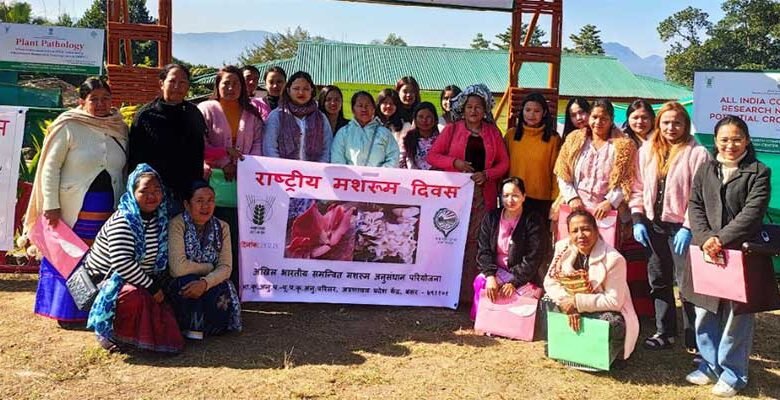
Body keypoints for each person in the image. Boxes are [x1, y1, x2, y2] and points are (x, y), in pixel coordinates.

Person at [24, 77, 128, 326]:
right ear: (82, 101)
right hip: (71, 205)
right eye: (94, 99)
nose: (100, 104)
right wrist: (50, 203)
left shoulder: (119, 126)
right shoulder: (69, 125)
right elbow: (50, 167)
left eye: (105, 98)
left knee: (99, 255)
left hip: (107, 205)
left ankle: (93, 309)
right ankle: (66, 311)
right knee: (69, 255)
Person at [684, 116, 771, 397]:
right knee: (704, 311)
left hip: (739, 255)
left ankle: (733, 373)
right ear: (716, 141)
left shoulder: (759, 172)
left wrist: (720, 239)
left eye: (736, 139)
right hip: (707, 252)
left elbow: (751, 214)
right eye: (724, 139)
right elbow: (695, 206)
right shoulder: (706, 169)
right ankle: (709, 365)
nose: (730, 145)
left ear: (746, 140)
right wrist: (706, 238)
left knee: (736, 316)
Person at [629, 102, 710, 352]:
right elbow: (637, 187)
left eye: (677, 122)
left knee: (687, 284)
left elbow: (702, 196)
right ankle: (664, 332)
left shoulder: (697, 153)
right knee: (658, 279)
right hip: (654, 226)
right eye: (666, 122)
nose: (671, 127)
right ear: (659, 123)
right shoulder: (647, 149)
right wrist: (637, 218)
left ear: (685, 124)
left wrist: (688, 226)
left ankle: (694, 338)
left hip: (682, 228)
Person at [84, 164, 184, 353]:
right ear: (132, 192)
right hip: (107, 280)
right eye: (144, 191)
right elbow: (123, 263)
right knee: (136, 297)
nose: (152, 196)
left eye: (157, 190)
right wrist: (152, 287)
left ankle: (145, 336)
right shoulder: (124, 220)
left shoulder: (160, 219)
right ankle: (110, 332)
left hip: (140, 278)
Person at [427, 83, 510, 305]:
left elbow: (504, 163)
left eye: (478, 107)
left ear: (485, 110)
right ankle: (446, 289)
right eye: (469, 106)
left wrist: (488, 174)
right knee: (452, 239)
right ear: (462, 109)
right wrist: (455, 163)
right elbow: (433, 156)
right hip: (455, 197)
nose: (473, 111)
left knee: (479, 241)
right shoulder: (452, 130)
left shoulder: (493, 133)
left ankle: (471, 294)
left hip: (484, 196)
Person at [543, 209, 640, 363]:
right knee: (547, 300)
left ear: (596, 230)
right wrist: (567, 304)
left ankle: (605, 356)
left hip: (602, 309)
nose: (580, 235)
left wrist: (577, 303)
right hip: (570, 303)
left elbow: (614, 301)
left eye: (586, 229)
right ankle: (563, 345)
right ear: (569, 233)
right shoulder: (563, 247)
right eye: (575, 231)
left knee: (613, 322)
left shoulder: (614, 259)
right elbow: (550, 281)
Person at [199, 65, 264, 290]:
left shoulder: (252, 113)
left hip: (242, 185)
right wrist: (225, 161)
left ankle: (234, 285)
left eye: (236, 83)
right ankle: (209, 283)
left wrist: (243, 168)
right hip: (211, 184)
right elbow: (200, 145)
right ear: (217, 85)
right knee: (211, 233)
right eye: (226, 83)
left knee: (237, 235)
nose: (230, 87)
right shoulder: (206, 109)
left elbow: (257, 145)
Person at [167, 180, 241, 340]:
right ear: (187, 204)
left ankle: (210, 328)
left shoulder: (222, 227)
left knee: (217, 290)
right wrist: (209, 267)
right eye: (199, 201)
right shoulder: (177, 225)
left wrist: (205, 283)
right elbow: (177, 268)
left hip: (210, 281)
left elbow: (226, 267)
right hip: (184, 279)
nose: (206, 206)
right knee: (187, 282)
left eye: (210, 201)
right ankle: (190, 328)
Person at [129, 63, 207, 212]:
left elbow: (198, 155)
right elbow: (134, 159)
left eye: (183, 82)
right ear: (161, 83)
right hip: (153, 195)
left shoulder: (194, 114)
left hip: (185, 193)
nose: (177, 86)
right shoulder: (146, 116)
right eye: (172, 81)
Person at [472, 177, 548, 320]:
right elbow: (484, 250)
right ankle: (483, 320)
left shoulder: (533, 220)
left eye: (515, 195)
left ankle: (506, 324)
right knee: (481, 281)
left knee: (519, 298)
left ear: (524, 197)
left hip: (523, 274)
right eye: (505, 195)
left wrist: (515, 281)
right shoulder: (492, 218)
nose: (510, 200)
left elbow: (534, 257)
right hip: (498, 271)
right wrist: (490, 275)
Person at [553, 99, 636, 221]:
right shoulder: (574, 140)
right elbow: (562, 172)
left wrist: (610, 201)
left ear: (611, 119)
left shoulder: (624, 146)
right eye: (595, 117)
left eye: (604, 118)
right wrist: (572, 198)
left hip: (607, 213)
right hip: (575, 209)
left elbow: (627, 179)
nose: (598, 122)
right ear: (589, 117)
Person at [504, 92, 562, 220]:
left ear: (544, 113)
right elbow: (503, 165)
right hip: (514, 198)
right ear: (522, 111)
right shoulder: (511, 135)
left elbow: (556, 172)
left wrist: (555, 200)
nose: (531, 115)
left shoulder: (553, 139)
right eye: (528, 110)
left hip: (542, 200)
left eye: (537, 111)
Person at [263, 71, 332, 162]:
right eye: (296, 88)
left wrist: (317, 170)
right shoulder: (276, 116)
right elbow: (269, 148)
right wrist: (281, 170)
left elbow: (326, 150)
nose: (301, 92)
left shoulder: (321, 118)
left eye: (306, 89)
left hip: (314, 173)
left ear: (312, 90)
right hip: (282, 173)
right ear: (288, 90)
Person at [331, 91, 399, 167]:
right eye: (360, 105)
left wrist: (379, 174)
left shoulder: (385, 133)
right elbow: (337, 159)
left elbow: (394, 157)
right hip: (350, 178)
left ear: (373, 109)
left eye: (367, 105)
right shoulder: (343, 133)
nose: (364, 109)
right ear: (353, 110)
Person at [399, 102, 439, 170]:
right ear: (415, 120)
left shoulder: (442, 139)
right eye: (420, 117)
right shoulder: (407, 139)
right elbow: (401, 161)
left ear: (435, 119)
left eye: (428, 117)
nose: (424, 120)